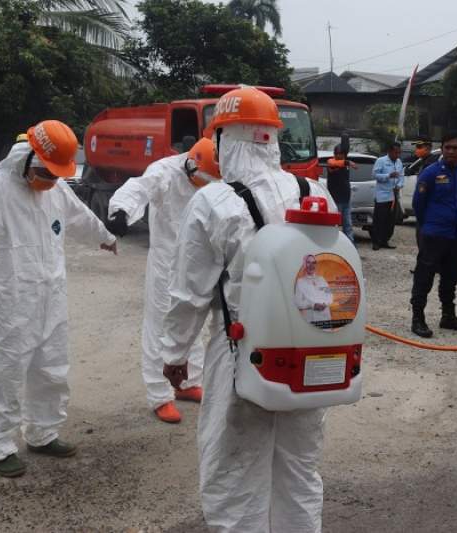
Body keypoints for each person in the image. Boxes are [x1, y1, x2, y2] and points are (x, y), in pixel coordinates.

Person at [158, 86, 334, 532]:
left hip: (242, 351)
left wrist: (176, 356)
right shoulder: (314, 191)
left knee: (235, 472)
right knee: (298, 470)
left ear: (221, 139)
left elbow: (188, 293)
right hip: (311, 353)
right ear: (273, 137)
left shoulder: (215, 201)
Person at [0, 120, 117, 477]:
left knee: (52, 369)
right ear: (26, 156)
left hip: (51, 298)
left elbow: (79, 217)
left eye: (57, 175)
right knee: (5, 372)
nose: (51, 180)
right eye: (46, 172)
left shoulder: (55, 190)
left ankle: (43, 432)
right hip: (10, 304)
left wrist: (104, 237)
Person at [108, 138, 220, 424]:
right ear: (191, 164)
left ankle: (188, 382)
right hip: (165, 261)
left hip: (196, 261)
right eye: (200, 180)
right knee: (159, 324)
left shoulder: (212, 175)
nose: (202, 186)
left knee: (193, 318)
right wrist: (120, 210)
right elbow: (137, 188)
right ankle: (160, 395)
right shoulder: (164, 172)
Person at [410, 131, 457, 338]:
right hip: (433, 234)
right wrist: (428, 223)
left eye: (455, 148)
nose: (451, 151)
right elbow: (418, 204)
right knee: (424, 277)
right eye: (447, 147)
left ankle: (448, 316)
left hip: (454, 235)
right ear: (442, 150)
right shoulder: (430, 172)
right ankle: (418, 319)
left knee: (451, 277)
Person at [371, 141, 404, 250]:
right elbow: (374, 175)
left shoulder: (399, 162)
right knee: (379, 219)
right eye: (395, 152)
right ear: (389, 151)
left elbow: (401, 176)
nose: (397, 155)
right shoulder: (381, 161)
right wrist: (388, 175)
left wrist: (399, 185)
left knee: (390, 221)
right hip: (382, 195)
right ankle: (376, 242)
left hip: (394, 196)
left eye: (399, 153)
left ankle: (385, 240)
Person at [326, 144, 357, 242]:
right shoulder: (331, 162)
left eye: (341, 154)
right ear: (334, 154)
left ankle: (351, 247)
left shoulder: (345, 164)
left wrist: (347, 163)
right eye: (337, 154)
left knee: (348, 226)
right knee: (333, 226)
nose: (339, 156)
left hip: (346, 199)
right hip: (336, 200)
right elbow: (332, 163)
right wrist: (348, 162)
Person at [294, 254, 333, 324]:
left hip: (325, 318)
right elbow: (298, 303)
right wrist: (313, 305)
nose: (311, 265)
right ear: (304, 264)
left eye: (314, 263)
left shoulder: (322, 279)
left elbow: (330, 296)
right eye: (308, 262)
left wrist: (325, 304)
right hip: (311, 321)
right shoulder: (300, 282)